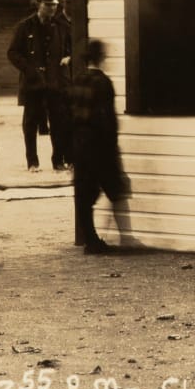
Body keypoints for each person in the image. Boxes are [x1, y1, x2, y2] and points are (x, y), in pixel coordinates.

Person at [71, 39, 137, 254]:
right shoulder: (103, 83)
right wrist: (112, 146)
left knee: (84, 195)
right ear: (101, 58)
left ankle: (91, 240)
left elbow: (67, 114)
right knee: (115, 188)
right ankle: (126, 238)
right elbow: (106, 118)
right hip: (99, 143)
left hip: (79, 142)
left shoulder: (77, 80)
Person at [7, 0, 73, 171]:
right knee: (30, 123)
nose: (52, 9)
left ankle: (58, 161)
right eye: (48, 5)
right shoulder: (25, 26)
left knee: (58, 122)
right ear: (38, 5)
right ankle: (32, 162)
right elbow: (12, 52)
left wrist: (68, 57)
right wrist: (29, 69)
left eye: (54, 6)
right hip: (33, 83)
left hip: (55, 82)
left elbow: (71, 46)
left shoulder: (61, 26)